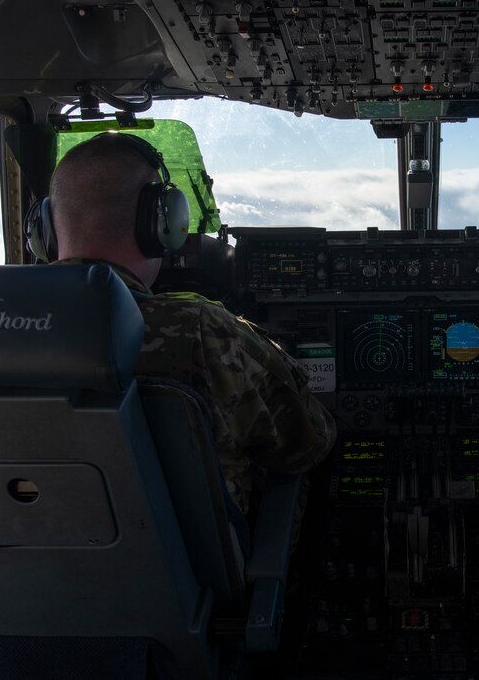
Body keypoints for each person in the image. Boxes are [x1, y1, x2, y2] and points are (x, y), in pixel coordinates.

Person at [44, 132, 336, 520]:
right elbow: (310, 441)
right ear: (162, 223)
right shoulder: (199, 330)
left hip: (4, 573)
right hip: (197, 577)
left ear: (44, 227)